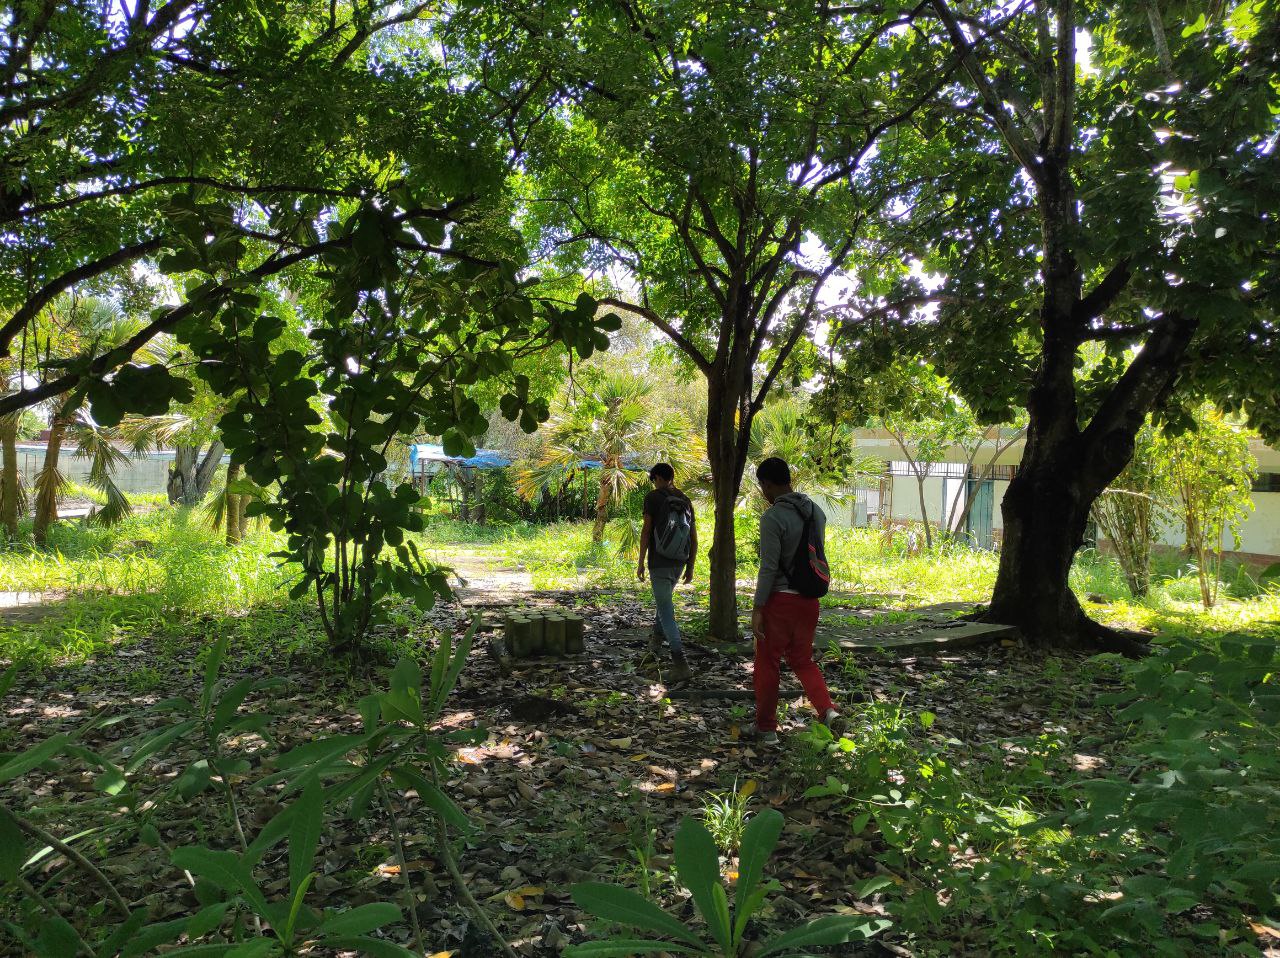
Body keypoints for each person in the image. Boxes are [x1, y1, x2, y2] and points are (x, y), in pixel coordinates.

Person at [745, 456, 843, 745]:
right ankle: (828, 710)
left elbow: (769, 567)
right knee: (802, 659)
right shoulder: (816, 511)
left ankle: (766, 728)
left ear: (767, 484)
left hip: (781, 601)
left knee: (767, 662)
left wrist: (758, 607)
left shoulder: (773, 517)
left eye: (762, 485)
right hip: (810, 600)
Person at [637, 462, 696, 684]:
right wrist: (690, 566)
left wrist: (641, 561)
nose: (653, 483)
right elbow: (693, 536)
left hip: (659, 561)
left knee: (666, 611)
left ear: (658, 478)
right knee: (664, 604)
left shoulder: (653, 498)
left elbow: (646, 530)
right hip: (679, 560)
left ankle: (681, 663)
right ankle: (655, 645)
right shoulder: (685, 500)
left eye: (653, 479)